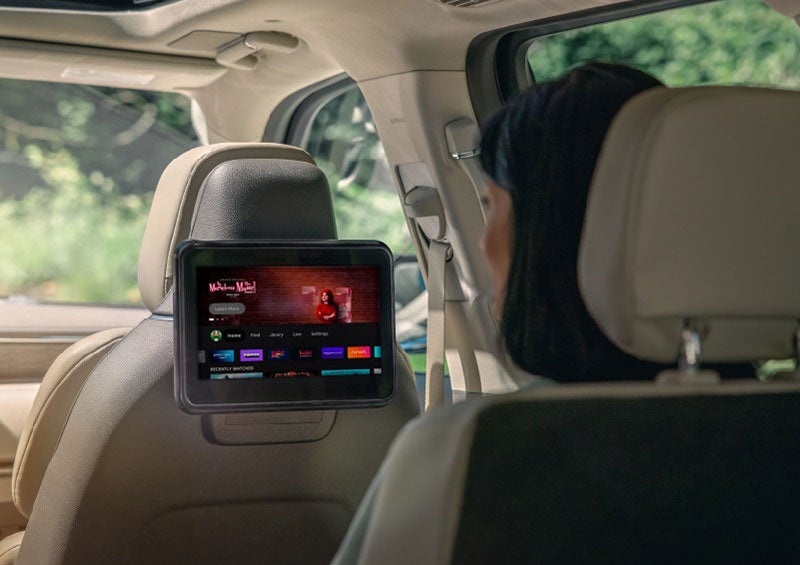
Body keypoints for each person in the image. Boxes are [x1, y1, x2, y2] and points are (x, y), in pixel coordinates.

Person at [479, 62, 669, 382]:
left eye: (492, 205)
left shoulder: (478, 431)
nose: (483, 243)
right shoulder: (780, 420)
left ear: (549, 238)